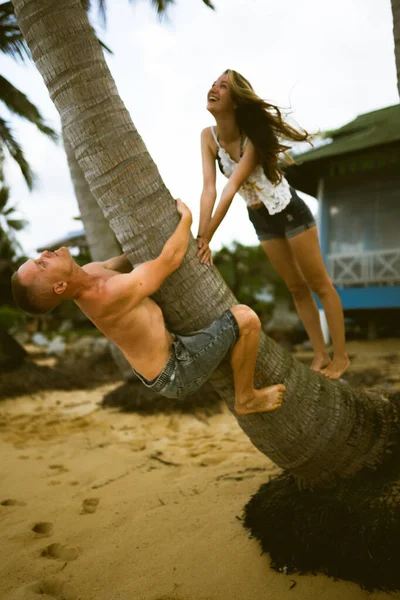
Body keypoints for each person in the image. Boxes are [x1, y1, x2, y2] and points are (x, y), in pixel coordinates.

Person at [11, 200, 285, 416]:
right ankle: (246, 398)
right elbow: (170, 260)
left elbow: (131, 256)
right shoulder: (104, 295)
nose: (44, 255)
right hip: (175, 371)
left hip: (170, 354)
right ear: (59, 287)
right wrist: (186, 219)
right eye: (41, 265)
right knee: (245, 318)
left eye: (38, 258)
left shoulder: (91, 271)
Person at [196, 69, 350, 380]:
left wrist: (207, 237)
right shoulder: (207, 137)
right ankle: (320, 355)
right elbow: (209, 188)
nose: (213, 88)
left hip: (288, 209)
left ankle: (342, 357)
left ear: (236, 102)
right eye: (214, 83)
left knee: (319, 283)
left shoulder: (251, 140)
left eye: (222, 86)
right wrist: (201, 236)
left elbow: (230, 187)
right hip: (260, 217)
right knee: (295, 287)